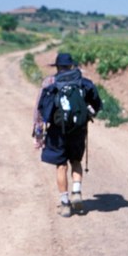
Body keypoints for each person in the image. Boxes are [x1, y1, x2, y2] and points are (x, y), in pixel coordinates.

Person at [33, 52, 102, 217]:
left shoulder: (50, 82)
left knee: (61, 166)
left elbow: (40, 110)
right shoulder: (82, 82)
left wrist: (38, 133)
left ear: (57, 66)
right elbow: (97, 104)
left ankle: (65, 203)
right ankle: (76, 192)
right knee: (76, 161)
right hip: (78, 130)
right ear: (72, 66)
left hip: (57, 132)